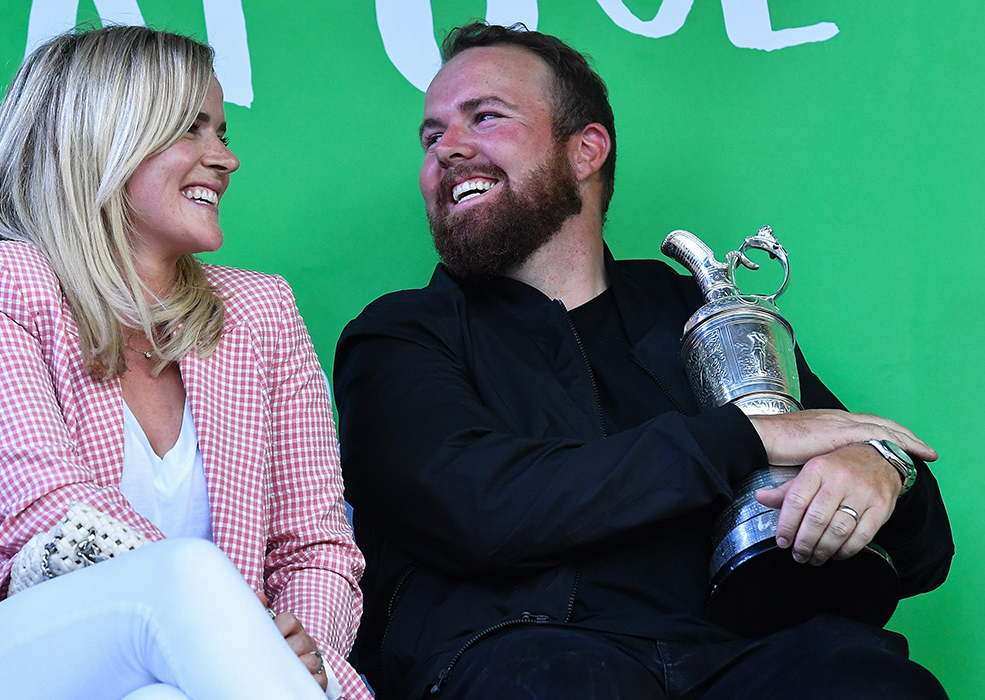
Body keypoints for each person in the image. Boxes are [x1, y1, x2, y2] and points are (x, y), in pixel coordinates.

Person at [334, 22, 953, 700]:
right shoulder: (398, 336)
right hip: (521, 658)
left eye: (484, 117)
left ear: (584, 151)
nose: (447, 149)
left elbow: (923, 553)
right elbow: (474, 506)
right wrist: (743, 439)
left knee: (870, 679)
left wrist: (880, 471)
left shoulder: (700, 313)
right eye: (431, 136)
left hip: (744, 655)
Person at [0, 26, 369, 700]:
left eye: (223, 132)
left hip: (200, 678)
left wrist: (303, 644)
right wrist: (238, 624)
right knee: (182, 573)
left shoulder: (262, 312)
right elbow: (45, 516)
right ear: (101, 138)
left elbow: (314, 547)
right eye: (191, 129)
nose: (225, 159)